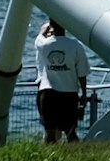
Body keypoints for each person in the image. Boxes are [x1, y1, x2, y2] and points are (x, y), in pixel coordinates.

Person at [32, 15, 88, 143]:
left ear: (52, 26)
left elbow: (38, 39)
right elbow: (82, 73)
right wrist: (84, 93)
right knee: (70, 132)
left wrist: (45, 28)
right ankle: (76, 157)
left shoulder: (44, 45)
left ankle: (49, 160)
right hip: (69, 93)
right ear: (66, 26)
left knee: (49, 133)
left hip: (48, 93)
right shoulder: (75, 46)